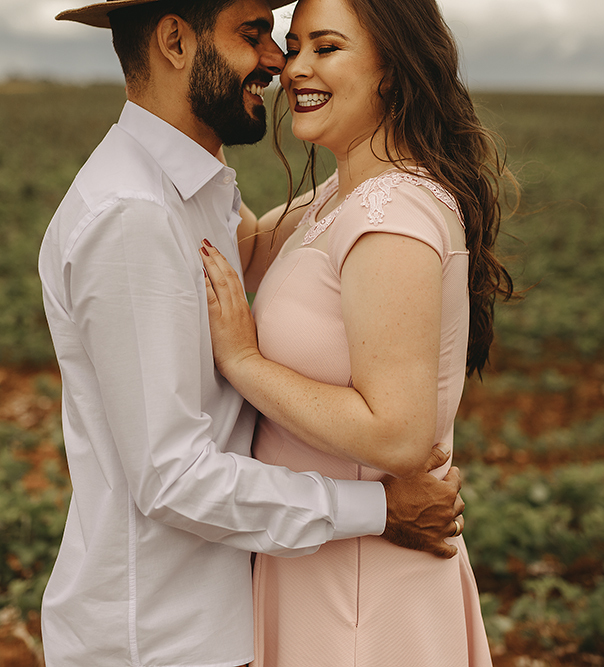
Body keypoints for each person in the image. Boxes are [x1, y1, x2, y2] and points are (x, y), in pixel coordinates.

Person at [37, 0, 468, 665]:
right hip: (161, 636)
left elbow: (295, 236)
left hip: (243, 608)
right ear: (175, 41)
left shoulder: (195, 187)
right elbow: (173, 476)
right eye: (256, 35)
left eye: (306, 44)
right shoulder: (132, 215)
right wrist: (378, 509)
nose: (279, 63)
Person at [199, 0, 517, 664]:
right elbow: (245, 247)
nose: (295, 68)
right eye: (294, 47)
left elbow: (397, 434)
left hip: (362, 590)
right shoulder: (345, 194)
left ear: (392, 70)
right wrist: (194, 114)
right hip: (327, 560)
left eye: (327, 47)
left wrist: (243, 361)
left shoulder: (389, 215)